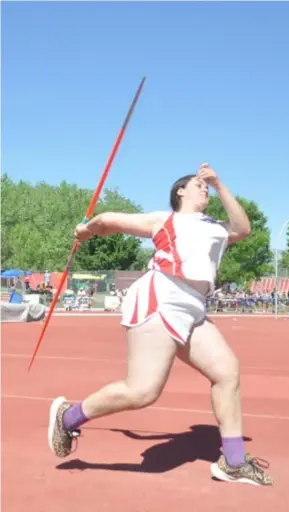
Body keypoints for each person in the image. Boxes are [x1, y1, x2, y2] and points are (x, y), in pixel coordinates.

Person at [48, 163, 273, 486]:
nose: (203, 188)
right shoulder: (164, 220)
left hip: (194, 306)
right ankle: (67, 417)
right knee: (142, 391)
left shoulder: (216, 227)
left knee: (227, 372)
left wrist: (220, 184)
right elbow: (109, 219)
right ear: (179, 191)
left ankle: (234, 463)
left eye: (206, 186)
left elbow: (244, 228)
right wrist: (87, 230)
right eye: (197, 184)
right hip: (163, 296)